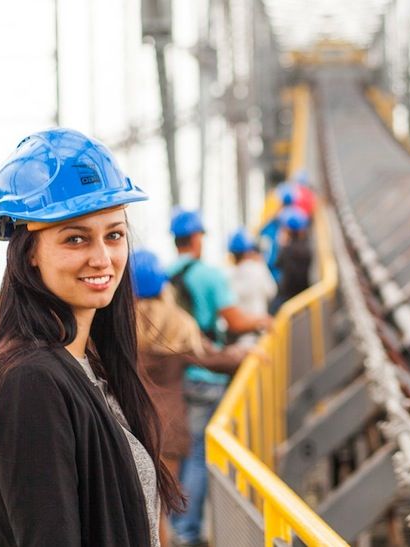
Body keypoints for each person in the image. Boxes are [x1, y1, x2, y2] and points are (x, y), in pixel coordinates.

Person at [0, 128, 181, 547]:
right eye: (76, 238)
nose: (102, 258)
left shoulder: (87, 365)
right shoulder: (31, 382)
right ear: (29, 251)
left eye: (114, 235)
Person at [167, 208, 271, 546]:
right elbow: (235, 321)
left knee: (182, 451)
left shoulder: (166, 276)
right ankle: (187, 529)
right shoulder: (209, 276)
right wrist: (261, 323)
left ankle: (176, 524)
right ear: (197, 238)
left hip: (175, 375)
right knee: (200, 454)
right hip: (207, 374)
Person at [132, 249, 247, 547]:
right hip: (169, 428)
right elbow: (212, 359)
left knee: (140, 511)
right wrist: (245, 355)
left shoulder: (118, 326)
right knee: (160, 514)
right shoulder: (176, 323)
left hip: (130, 426)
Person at [227, 228, 277, 347]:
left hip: (237, 335)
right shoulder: (258, 269)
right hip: (259, 329)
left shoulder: (228, 274)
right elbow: (272, 292)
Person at [272, 205, 313, 313]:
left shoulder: (287, 250)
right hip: (303, 294)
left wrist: (282, 245)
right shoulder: (306, 248)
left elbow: (277, 263)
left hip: (287, 296)